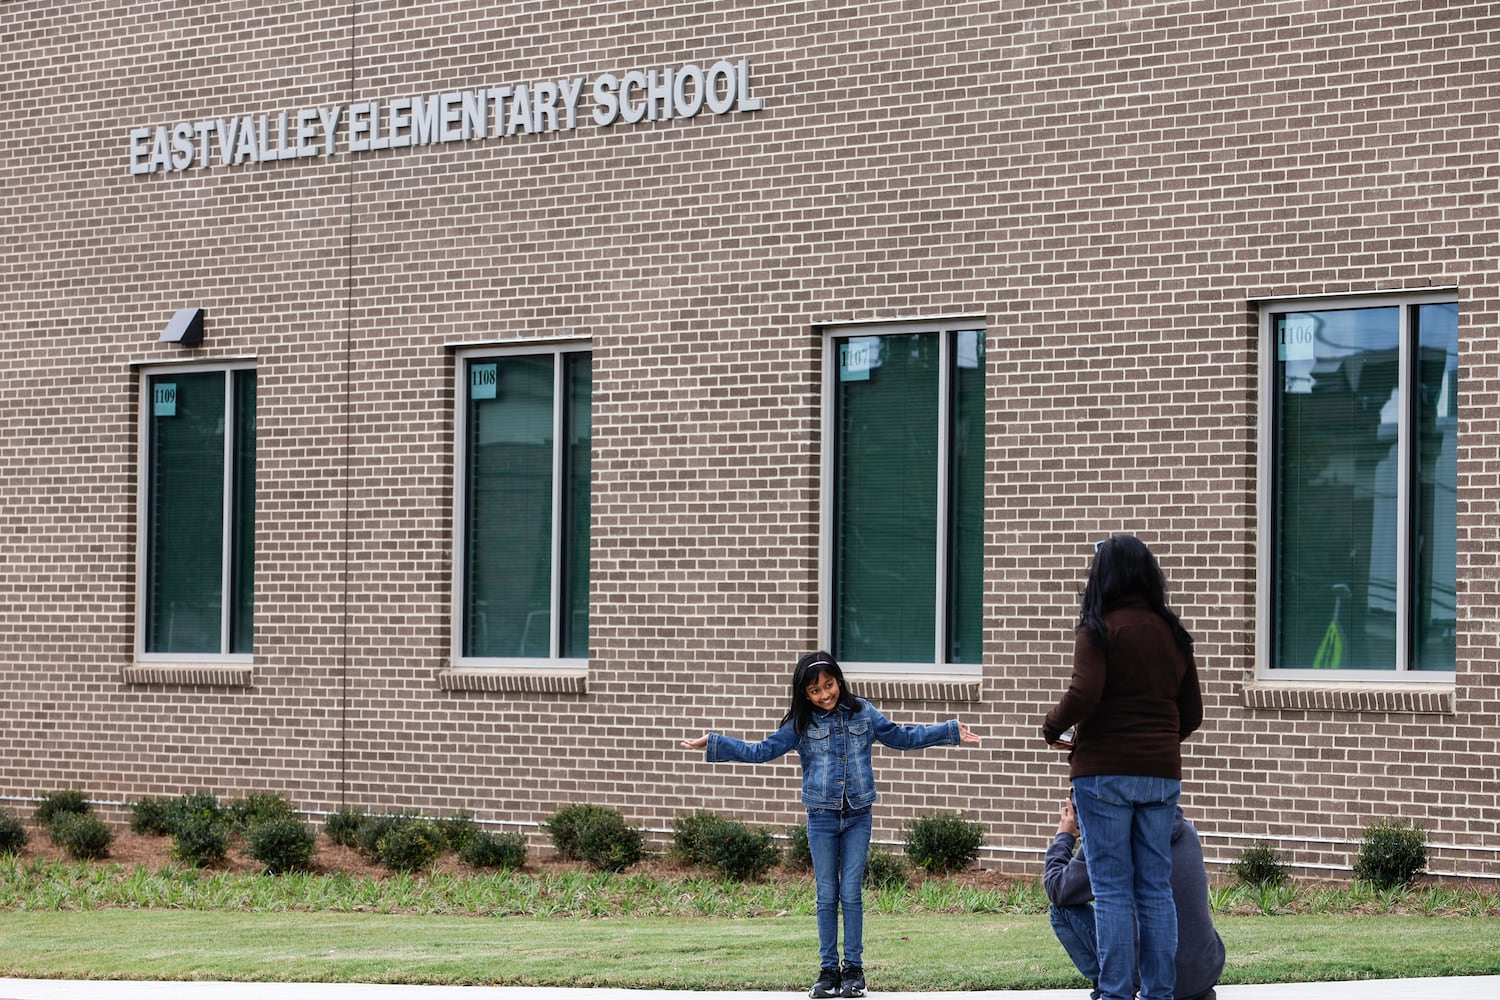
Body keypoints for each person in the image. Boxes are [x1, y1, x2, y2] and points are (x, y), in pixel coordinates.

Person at [681, 650, 981, 999]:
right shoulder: (800, 725)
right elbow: (759, 751)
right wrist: (715, 742)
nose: (825, 694)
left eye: (829, 684)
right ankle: (828, 971)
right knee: (827, 894)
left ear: (839, 680)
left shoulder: (863, 713)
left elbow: (902, 737)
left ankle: (854, 971)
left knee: (850, 892)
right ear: (804, 694)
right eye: (815, 690)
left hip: (858, 816)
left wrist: (949, 731)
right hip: (821, 818)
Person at [1042, 534, 1204, 1000]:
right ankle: (1158, 994)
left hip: (1103, 773)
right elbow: (1191, 714)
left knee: (1112, 890)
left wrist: (1052, 727)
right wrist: (1153, 745)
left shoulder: (1097, 628)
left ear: (1104, 576)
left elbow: (1085, 693)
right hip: (1161, 774)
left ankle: (1115, 994)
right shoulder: (1174, 634)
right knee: (1155, 889)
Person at [1044, 797, 1224, 1000]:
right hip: (1202, 976)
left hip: (1150, 977)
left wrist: (1065, 837)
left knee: (1060, 910)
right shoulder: (1186, 830)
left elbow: (1057, 889)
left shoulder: (1109, 840)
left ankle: (1112, 989)